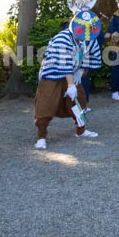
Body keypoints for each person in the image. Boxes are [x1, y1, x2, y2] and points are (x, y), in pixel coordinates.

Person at [34, 8, 101, 149]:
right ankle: (41, 136)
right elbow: (64, 62)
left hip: (73, 72)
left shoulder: (90, 38)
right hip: (52, 73)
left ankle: (81, 130)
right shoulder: (62, 38)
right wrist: (71, 85)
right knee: (46, 102)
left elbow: (91, 56)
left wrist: (81, 71)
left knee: (80, 100)